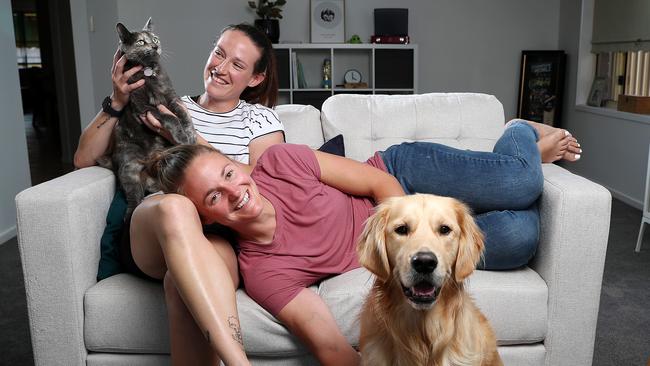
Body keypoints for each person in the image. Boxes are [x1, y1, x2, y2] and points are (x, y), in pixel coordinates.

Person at [144, 119, 581, 365]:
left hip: (402, 178)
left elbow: (377, 180)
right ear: (204, 217)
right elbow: (331, 347)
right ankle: (510, 165)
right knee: (523, 235)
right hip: (404, 239)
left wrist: (413, 229)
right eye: (214, 197)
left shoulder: (278, 163)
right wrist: (419, 245)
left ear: (235, 162)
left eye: (227, 173)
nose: (236, 191)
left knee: (521, 182)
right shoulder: (263, 272)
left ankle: (519, 134)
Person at [73, 23, 284, 365]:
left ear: (256, 79)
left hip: (216, 231)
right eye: (219, 53)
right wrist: (117, 101)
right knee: (175, 207)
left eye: (237, 64)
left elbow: (268, 182)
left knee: (181, 285)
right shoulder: (164, 102)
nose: (221, 67)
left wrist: (184, 137)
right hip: (155, 224)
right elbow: (83, 159)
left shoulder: (260, 121)